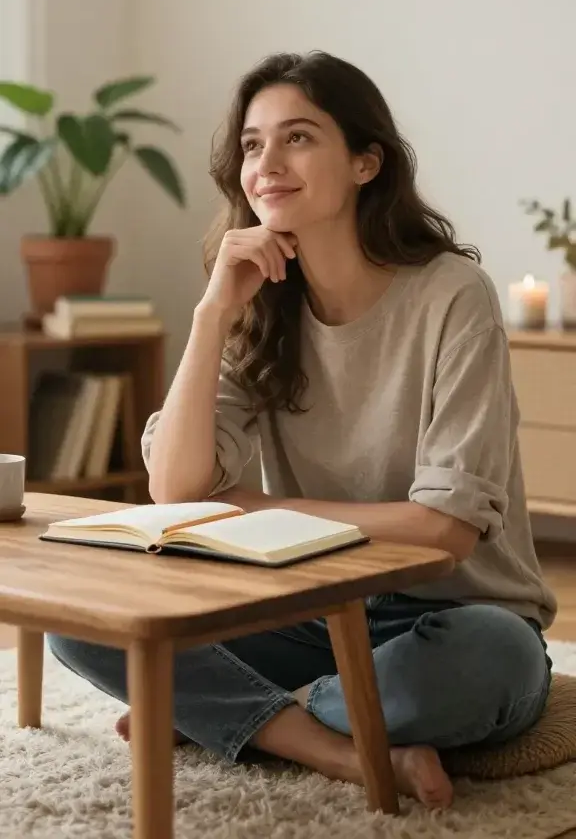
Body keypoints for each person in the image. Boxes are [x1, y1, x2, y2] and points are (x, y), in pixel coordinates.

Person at [49, 51, 556, 810]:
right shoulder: (259, 303)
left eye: (298, 138)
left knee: (487, 665)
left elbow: (443, 536)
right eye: (252, 145)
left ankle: (224, 710)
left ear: (365, 162)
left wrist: (256, 508)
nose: (267, 164)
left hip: (457, 617)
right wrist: (211, 314)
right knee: (85, 621)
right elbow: (176, 487)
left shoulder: (453, 295)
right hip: (314, 612)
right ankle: (332, 749)